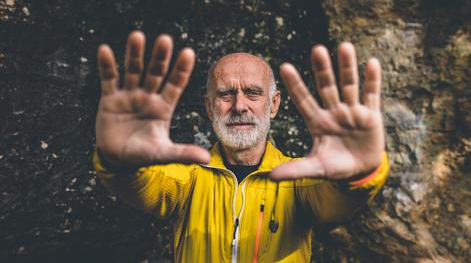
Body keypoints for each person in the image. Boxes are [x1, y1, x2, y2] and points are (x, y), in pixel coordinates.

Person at [93, 30, 389, 262]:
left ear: (273, 105)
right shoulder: (188, 180)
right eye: (225, 95)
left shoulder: (299, 182)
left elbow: (337, 202)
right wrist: (118, 161)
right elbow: (139, 182)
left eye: (252, 93)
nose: (239, 106)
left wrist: (359, 174)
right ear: (209, 107)